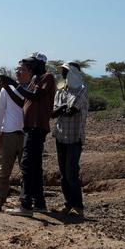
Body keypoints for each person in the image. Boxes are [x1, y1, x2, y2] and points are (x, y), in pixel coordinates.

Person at [0, 52, 56, 217]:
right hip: (31, 127)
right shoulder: (35, 80)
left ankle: (25, 205)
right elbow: (24, 102)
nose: (28, 67)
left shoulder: (47, 77)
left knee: (27, 165)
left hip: (37, 127)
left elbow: (36, 97)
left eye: (31, 64)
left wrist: (12, 83)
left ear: (39, 64)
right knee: (35, 167)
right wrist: (7, 87)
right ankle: (39, 203)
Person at [51, 61, 88, 217]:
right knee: (64, 174)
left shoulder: (82, 90)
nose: (63, 75)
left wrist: (61, 109)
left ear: (73, 74)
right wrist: (62, 109)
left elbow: (71, 111)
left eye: (66, 72)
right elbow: (53, 112)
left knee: (71, 173)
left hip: (74, 137)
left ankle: (78, 206)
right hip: (60, 136)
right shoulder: (61, 91)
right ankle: (68, 203)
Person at [0, 67, 26, 211]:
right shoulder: (6, 89)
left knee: (26, 170)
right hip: (8, 134)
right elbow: (0, 110)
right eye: (17, 70)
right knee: (4, 168)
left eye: (22, 70)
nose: (18, 72)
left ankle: (25, 200)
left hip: (25, 134)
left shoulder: (31, 88)